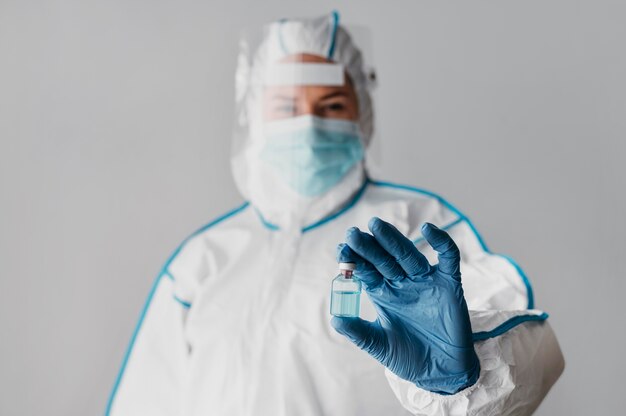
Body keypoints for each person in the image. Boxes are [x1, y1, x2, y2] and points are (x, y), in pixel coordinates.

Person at [106, 11, 564, 416]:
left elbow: (526, 348)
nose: (308, 124)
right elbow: (149, 398)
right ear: (254, 114)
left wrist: (461, 377)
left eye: (330, 105)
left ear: (361, 113)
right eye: (286, 106)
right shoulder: (204, 260)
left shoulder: (415, 226)